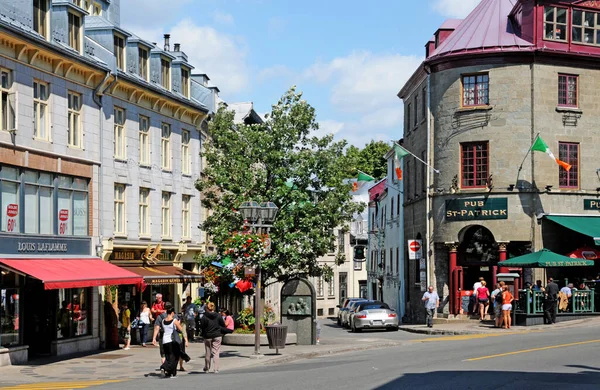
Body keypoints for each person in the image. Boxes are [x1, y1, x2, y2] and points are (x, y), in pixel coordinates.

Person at [153, 306, 188, 378]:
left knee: (168, 357)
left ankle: (170, 373)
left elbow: (159, 328)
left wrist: (154, 338)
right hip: (171, 341)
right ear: (172, 313)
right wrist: (178, 323)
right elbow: (181, 329)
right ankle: (164, 367)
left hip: (164, 341)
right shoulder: (174, 320)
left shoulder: (163, 321)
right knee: (173, 357)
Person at [199, 302, 226, 373]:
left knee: (208, 352)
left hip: (207, 336)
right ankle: (216, 368)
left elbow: (201, 326)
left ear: (207, 308)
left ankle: (207, 368)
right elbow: (223, 325)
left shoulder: (204, 317)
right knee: (216, 352)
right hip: (217, 335)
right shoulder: (218, 315)